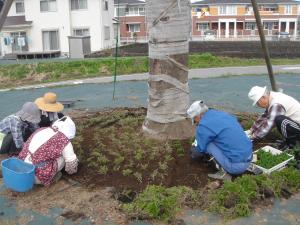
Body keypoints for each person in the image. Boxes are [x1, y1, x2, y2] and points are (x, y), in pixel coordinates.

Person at [187, 100, 253, 180]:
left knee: (208, 144)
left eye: (194, 119)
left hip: (236, 167)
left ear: (199, 116)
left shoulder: (204, 125)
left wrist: (193, 154)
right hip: (249, 157)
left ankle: (224, 173)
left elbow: (198, 150)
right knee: (219, 138)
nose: (195, 123)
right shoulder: (221, 114)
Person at [18, 116, 79, 186]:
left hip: (21, 168)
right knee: (64, 157)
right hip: (36, 177)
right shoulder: (64, 140)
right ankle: (49, 178)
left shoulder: (41, 129)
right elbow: (71, 164)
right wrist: (72, 172)